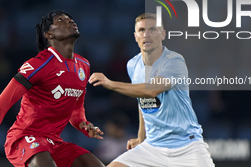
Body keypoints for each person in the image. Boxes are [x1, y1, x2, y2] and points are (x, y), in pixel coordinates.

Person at [0, 10, 105, 167]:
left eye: (70, 19)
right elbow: (0, 106)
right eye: (60, 20)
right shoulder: (38, 64)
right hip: (24, 137)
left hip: (54, 142)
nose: (70, 21)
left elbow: (76, 111)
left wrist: (85, 126)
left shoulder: (83, 65)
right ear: (49, 34)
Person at [89, 13, 215, 167]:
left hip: (186, 146)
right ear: (135, 36)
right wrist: (141, 137)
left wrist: (111, 83)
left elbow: (151, 91)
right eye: (141, 30)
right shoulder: (133, 65)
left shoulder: (174, 61)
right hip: (152, 147)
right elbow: (143, 101)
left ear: (163, 34)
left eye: (152, 30)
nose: (146, 34)